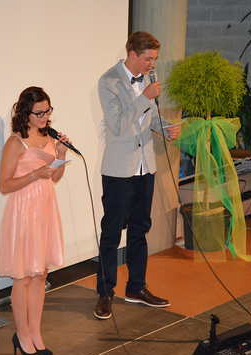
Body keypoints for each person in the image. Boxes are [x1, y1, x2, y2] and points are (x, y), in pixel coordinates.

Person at [95, 31, 181, 319]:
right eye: (148, 59)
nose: (152, 65)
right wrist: (144, 97)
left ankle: (136, 287)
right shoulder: (108, 81)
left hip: (146, 167)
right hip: (119, 170)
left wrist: (165, 127)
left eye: (154, 59)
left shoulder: (146, 80)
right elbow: (118, 125)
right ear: (132, 54)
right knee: (111, 232)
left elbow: (149, 116)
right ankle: (105, 293)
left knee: (140, 228)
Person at [0, 86, 71, 355]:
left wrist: (61, 154)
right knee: (24, 276)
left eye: (47, 111)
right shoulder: (15, 142)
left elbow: (55, 178)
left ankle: (36, 334)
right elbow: (4, 185)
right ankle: (22, 335)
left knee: (41, 275)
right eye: (38, 113)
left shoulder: (48, 136)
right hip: (23, 212)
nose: (44, 117)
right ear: (25, 113)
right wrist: (34, 175)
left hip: (45, 208)